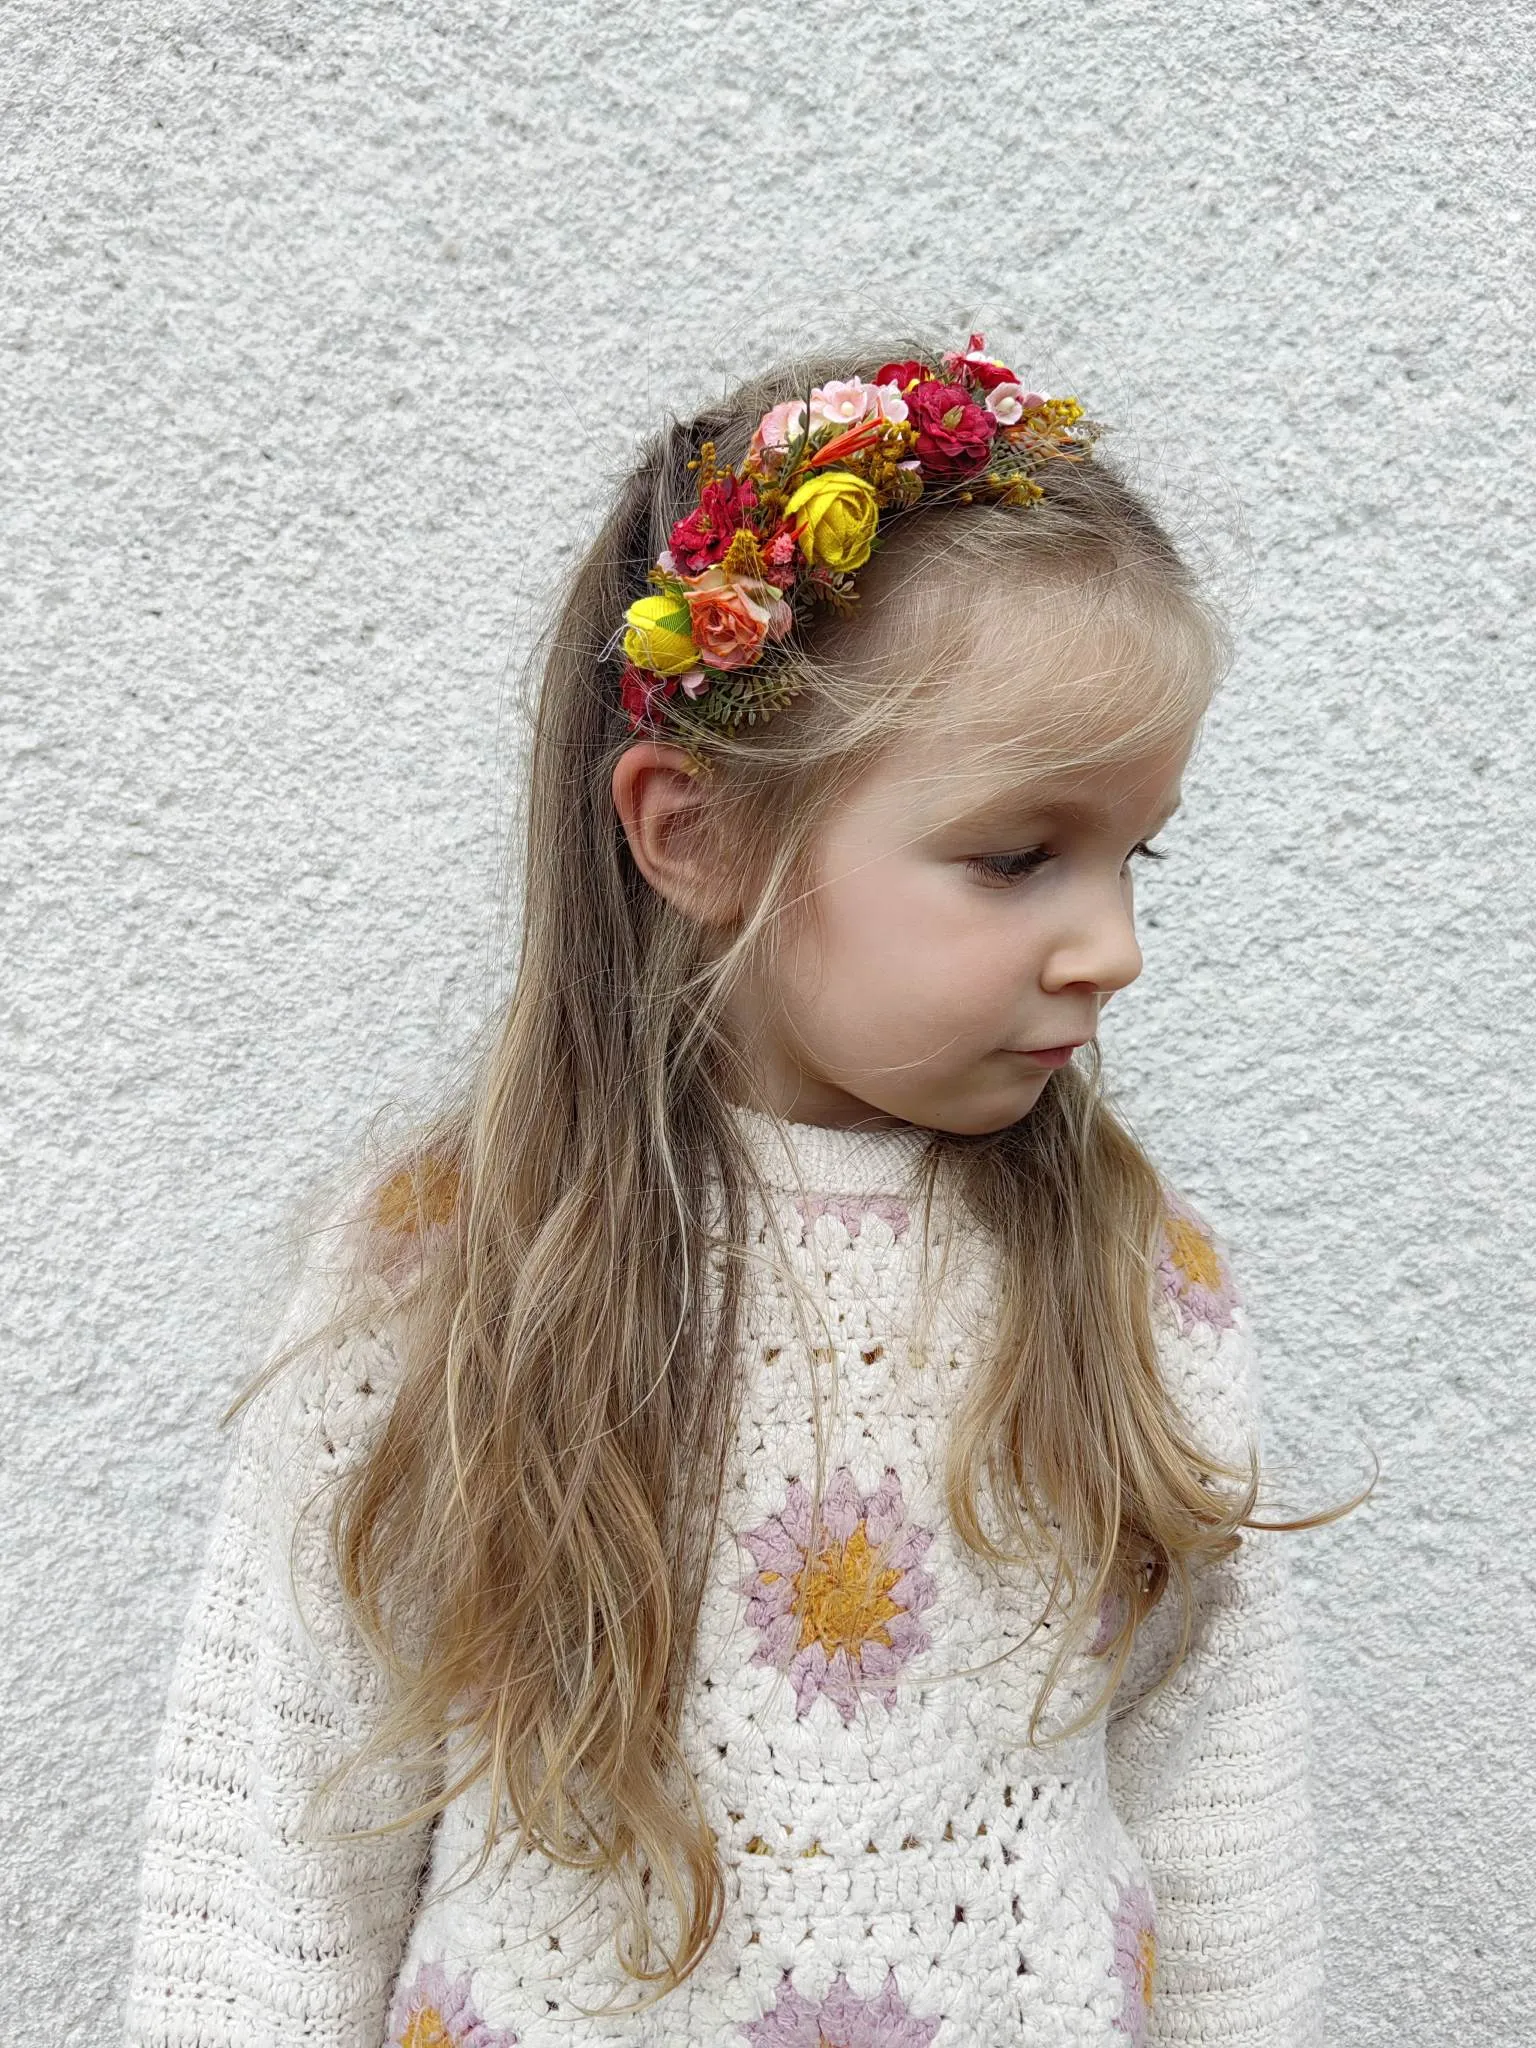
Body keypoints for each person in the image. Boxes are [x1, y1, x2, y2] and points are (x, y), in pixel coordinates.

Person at [124, 339, 1336, 2047]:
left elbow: (1222, 1817)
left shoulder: (1136, 1277)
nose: (1113, 950)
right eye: (1016, 857)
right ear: (693, 835)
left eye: (1137, 855)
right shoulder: (450, 1268)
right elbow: (273, 1837)